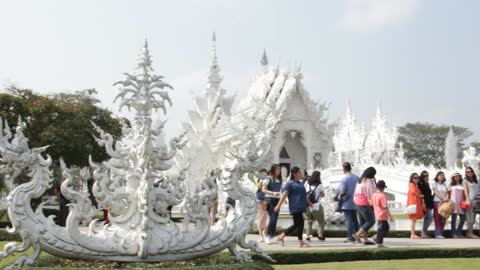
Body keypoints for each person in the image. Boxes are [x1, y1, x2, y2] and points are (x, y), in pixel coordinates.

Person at [275, 167, 310, 248]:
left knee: (300, 224)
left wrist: (310, 203)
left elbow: (304, 195)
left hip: (301, 206)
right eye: (299, 172)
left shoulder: (300, 183)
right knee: (297, 224)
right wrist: (278, 205)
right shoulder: (290, 183)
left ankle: (300, 242)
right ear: (295, 174)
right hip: (295, 206)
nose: (301, 174)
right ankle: (281, 237)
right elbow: (284, 195)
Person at [352, 167, 377, 245]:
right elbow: (371, 195)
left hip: (357, 202)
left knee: (362, 222)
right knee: (371, 221)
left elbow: (355, 191)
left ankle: (365, 239)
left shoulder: (360, 180)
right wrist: (373, 205)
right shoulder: (369, 182)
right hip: (364, 203)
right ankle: (357, 234)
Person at [338, 162, 360, 243]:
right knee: (355, 220)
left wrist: (338, 195)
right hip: (356, 201)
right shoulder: (357, 178)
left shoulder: (345, 179)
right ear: (350, 168)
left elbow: (342, 191)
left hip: (347, 202)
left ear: (344, 169)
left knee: (349, 220)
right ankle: (358, 234)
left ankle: (351, 237)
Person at [262, 164, 283, 244]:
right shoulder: (268, 179)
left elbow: (282, 191)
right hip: (269, 199)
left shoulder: (280, 180)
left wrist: (284, 199)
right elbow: (263, 189)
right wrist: (272, 193)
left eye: (279, 169)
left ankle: (271, 236)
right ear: (273, 170)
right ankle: (268, 235)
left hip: (277, 200)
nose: (279, 171)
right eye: (277, 169)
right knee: (273, 218)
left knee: (274, 218)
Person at [304, 171, 326, 241]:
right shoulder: (319, 185)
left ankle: (308, 235)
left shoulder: (306, 183)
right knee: (321, 221)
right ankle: (320, 234)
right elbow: (322, 195)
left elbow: (303, 192)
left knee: (308, 221)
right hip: (316, 205)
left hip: (307, 204)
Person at [371, 180, 394, 248]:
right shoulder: (382, 196)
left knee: (386, 227)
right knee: (381, 229)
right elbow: (385, 207)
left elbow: (372, 204)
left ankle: (376, 237)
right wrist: (390, 216)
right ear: (382, 188)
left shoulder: (374, 195)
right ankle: (379, 243)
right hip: (382, 214)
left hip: (378, 214)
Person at [449, 172, 468, 238]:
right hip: (453, 204)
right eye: (456, 176)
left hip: (461, 204)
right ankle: (453, 233)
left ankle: (458, 232)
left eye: (458, 176)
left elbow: (465, 194)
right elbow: (448, 194)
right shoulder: (451, 185)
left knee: (463, 219)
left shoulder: (462, 184)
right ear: (453, 178)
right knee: (453, 219)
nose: (457, 177)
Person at [432, 171, 449, 238]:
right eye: (440, 175)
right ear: (437, 176)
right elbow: (436, 192)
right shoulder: (434, 184)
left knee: (443, 218)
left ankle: (441, 233)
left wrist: (447, 198)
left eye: (442, 175)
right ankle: (438, 234)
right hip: (437, 202)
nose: (441, 176)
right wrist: (443, 199)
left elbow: (447, 192)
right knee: (437, 218)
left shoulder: (445, 184)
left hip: (444, 203)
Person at [464, 167, 479, 239]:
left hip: (476, 201)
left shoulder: (476, 180)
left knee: (473, 218)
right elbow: (466, 191)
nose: (469, 173)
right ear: (466, 173)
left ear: (473, 172)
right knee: (469, 218)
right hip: (470, 200)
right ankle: (470, 233)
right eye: (467, 172)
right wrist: (467, 199)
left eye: (470, 171)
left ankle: (469, 233)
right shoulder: (465, 180)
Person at [407, 173, 424, 239]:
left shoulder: (415, 185)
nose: (416, 179)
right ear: (412, 178)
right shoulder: (411, 184)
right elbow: (413, 192)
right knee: (413, 220)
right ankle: (412, 234)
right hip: (413, 204)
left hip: (415, 204)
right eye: (415, 178)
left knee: (414, 220)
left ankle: (413, 234)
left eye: (417, 178)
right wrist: (420, 195)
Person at [418, 171, 434, 238]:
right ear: (421, 177)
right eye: (424, 176)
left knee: (428, 218)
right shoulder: (420, 184)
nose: (426, 177)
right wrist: (423, 203)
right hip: (425, 203)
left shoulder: (426, 183)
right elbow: (421, 194)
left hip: (429, 203)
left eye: (427, 176)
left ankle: (424, 232)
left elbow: (428, 194)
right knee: (429, 218)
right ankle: (423, 232)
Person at [255, 169, 270, 242]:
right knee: (259, 219)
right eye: (262, 174)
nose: (263, 175)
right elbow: (257, 191)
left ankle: (265, 234)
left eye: (265, 174)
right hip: (259, 201)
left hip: (266, 201)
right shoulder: (258, 181)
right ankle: (261, 235)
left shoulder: (268, 181)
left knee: (267, 218)